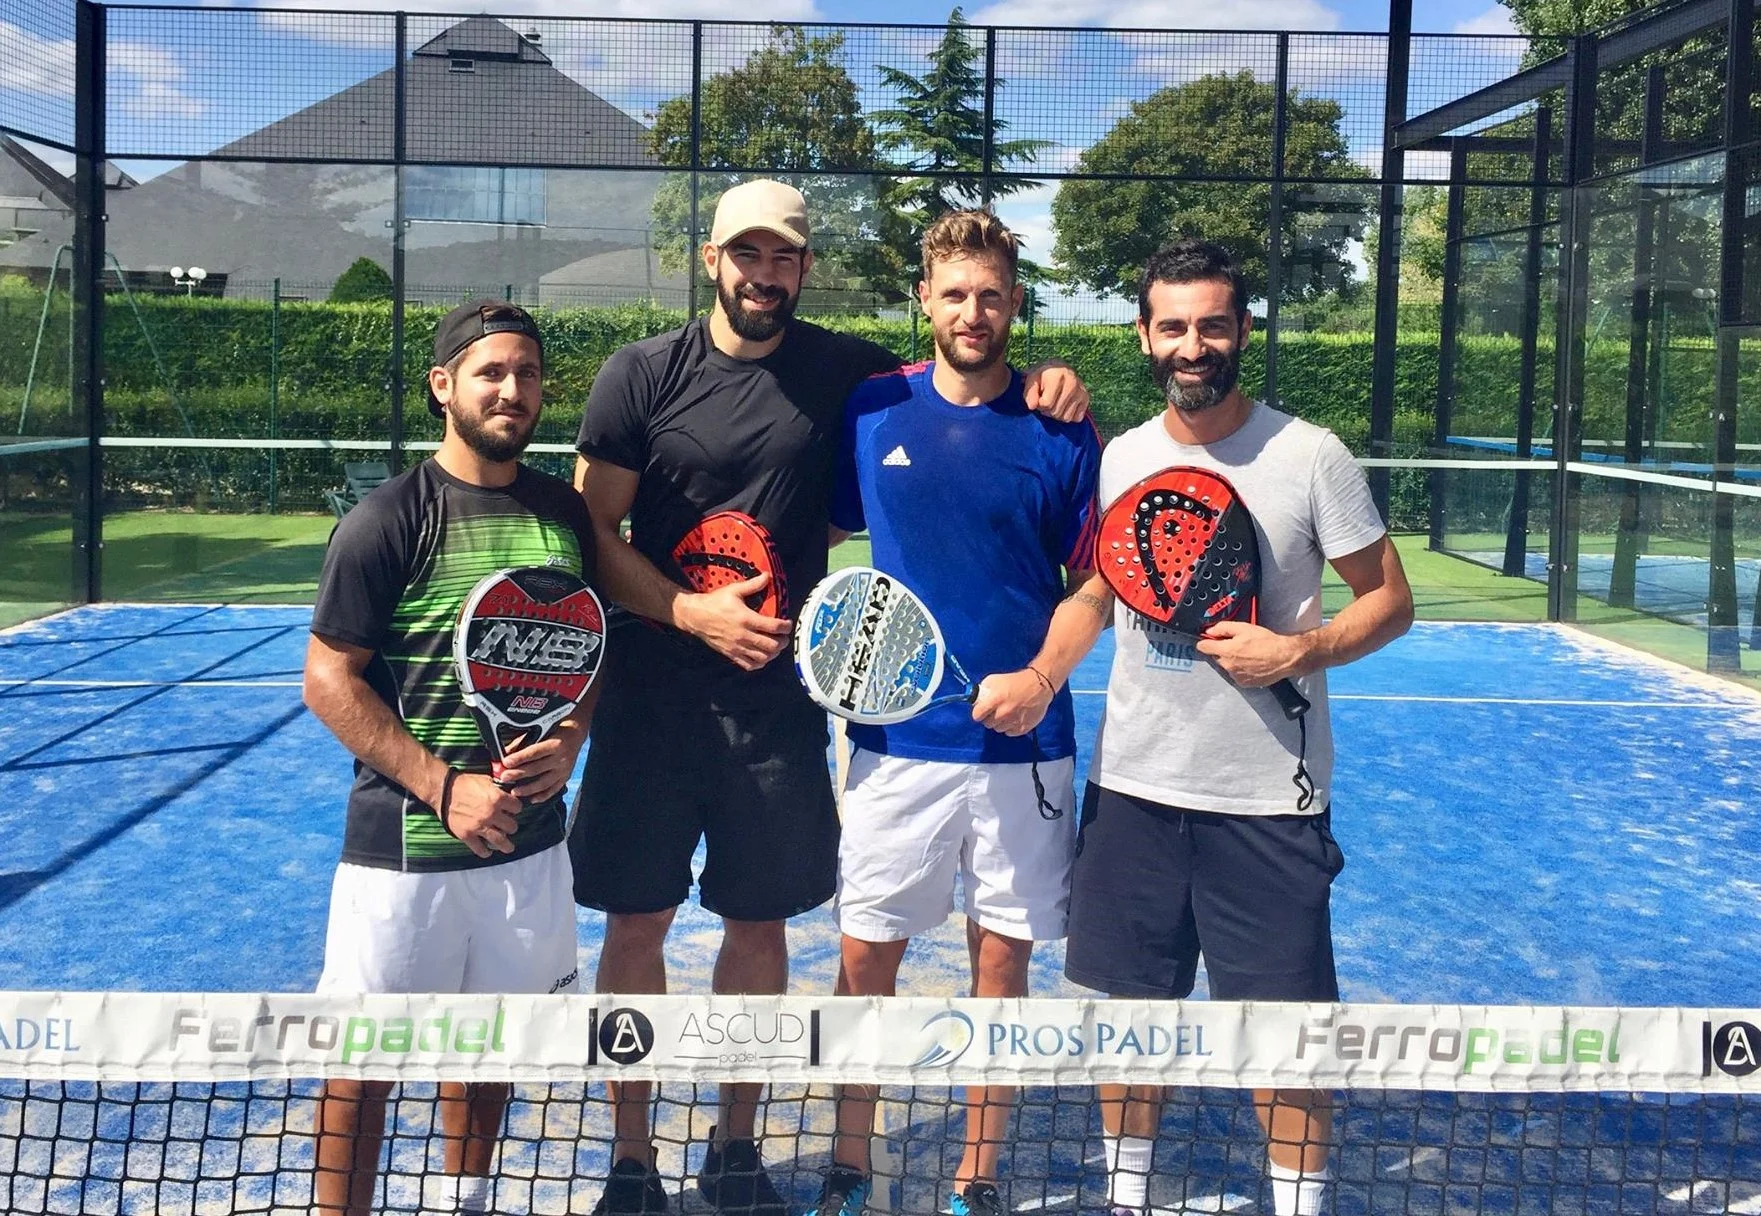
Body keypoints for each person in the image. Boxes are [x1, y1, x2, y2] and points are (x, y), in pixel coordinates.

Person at [569, 179, 1089, 1216]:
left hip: (783, 707)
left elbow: (970, 435)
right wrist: (689, 613)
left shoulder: (852, 379)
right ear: (712, 257)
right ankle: (633, 1161)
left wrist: (1060, 380)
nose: (767, 273)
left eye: (786, 257)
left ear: (805, 268)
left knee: (758, 922)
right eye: (748, 254)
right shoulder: (643, 375)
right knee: (640, 921)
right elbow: (593, 534)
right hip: (656, 699)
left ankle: (737, 1147)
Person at [1062, 239, 1414, 1216]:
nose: (1193, 343)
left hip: (1267, 803)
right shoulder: (1123, 458)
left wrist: (1296, 653)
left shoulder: (1310, 455)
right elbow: (1107, 586)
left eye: (1212, 323)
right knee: (1130, 1023)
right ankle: (1128, 1198)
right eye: (1172, 325)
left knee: (1284, 1031)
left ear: (1242, 331)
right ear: (1144, 336)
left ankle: (1298, 1206)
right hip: (1131, 794)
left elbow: (1391, 601)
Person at [816, 209, 1104, 1216]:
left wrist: (1042, 678)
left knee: (1002, 964)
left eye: (991, 294)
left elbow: (1094, 582)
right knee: (866, 959)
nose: (972, 311)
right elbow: (809, 518)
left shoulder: (1060, 425)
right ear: (924, 300)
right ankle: (851, 1163)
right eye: (954, 293)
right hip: (896, 743)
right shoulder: (869, 409)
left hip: (1026, 747)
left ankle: (978, 1177)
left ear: (1015, 303)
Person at [302, 300, 598, 1216]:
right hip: (404, 858)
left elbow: (583, 650)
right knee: (364, 1067)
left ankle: (465, 1203)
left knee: (492, 1046)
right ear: (444, 387)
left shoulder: (563, 515)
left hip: (530, 849)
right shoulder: (386, 520)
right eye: (491, 372)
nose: (513, 390)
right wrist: (444, 787)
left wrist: (571, 739)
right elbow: (327, 680)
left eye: (530, 374)